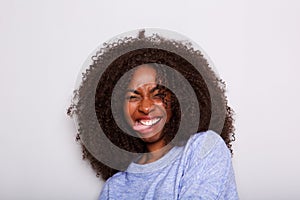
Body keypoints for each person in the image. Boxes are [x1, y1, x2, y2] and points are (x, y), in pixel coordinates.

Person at [67, 30, 238, 199]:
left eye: (158, 94)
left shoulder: (204, 148)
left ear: (178, 99)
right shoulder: (113, 189)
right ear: (116, 112)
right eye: (133, 97)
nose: (146, 107)